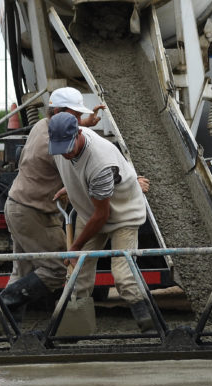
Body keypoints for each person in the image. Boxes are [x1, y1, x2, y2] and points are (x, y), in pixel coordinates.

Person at [0, 87, 105, 325]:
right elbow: (78, 165)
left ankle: (5, 325)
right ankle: (1, 303)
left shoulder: (41, 125)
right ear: (59, 111)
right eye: (75, 115)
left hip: (18, 206)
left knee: (23, 271)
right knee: (55, 270)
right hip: (34, 212)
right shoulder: (53, 146)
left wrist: (85, 125)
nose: (79, 120)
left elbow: (67, 132)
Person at [47, 111, 155, 332]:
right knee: (78, 275)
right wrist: (72, 186)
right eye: (60, 149)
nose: (65, 154)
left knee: (124, 275)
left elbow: (102, 216)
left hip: (123, 213)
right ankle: (76, 330)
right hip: (91, 210)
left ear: (78, 134)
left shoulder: (100, 161)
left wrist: (76, 247)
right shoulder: (61, 145)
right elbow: (80, 172)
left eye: (69, 148)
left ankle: (152, 325)